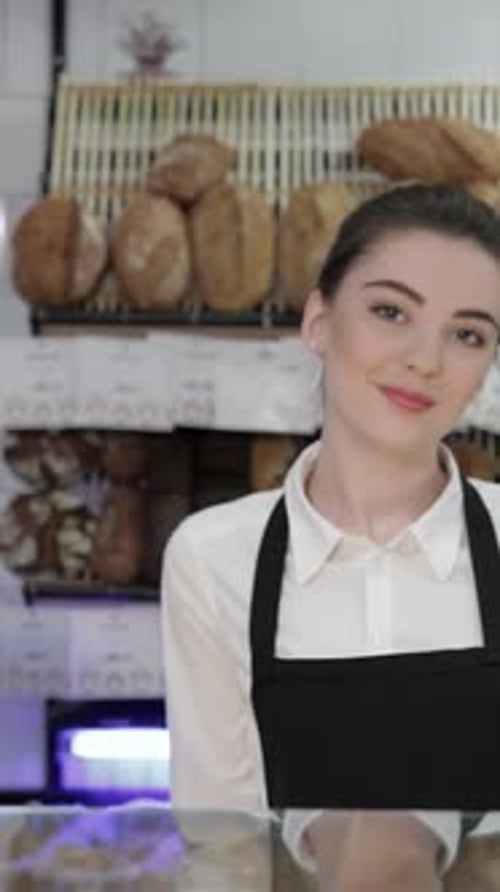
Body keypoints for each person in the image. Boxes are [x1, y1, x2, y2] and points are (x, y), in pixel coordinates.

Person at [161, 183, 500, 891]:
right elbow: (224, 846)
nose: (426, 359)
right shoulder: (213, 557)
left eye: (467, 333)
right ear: (319, 320)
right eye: (390, 312)